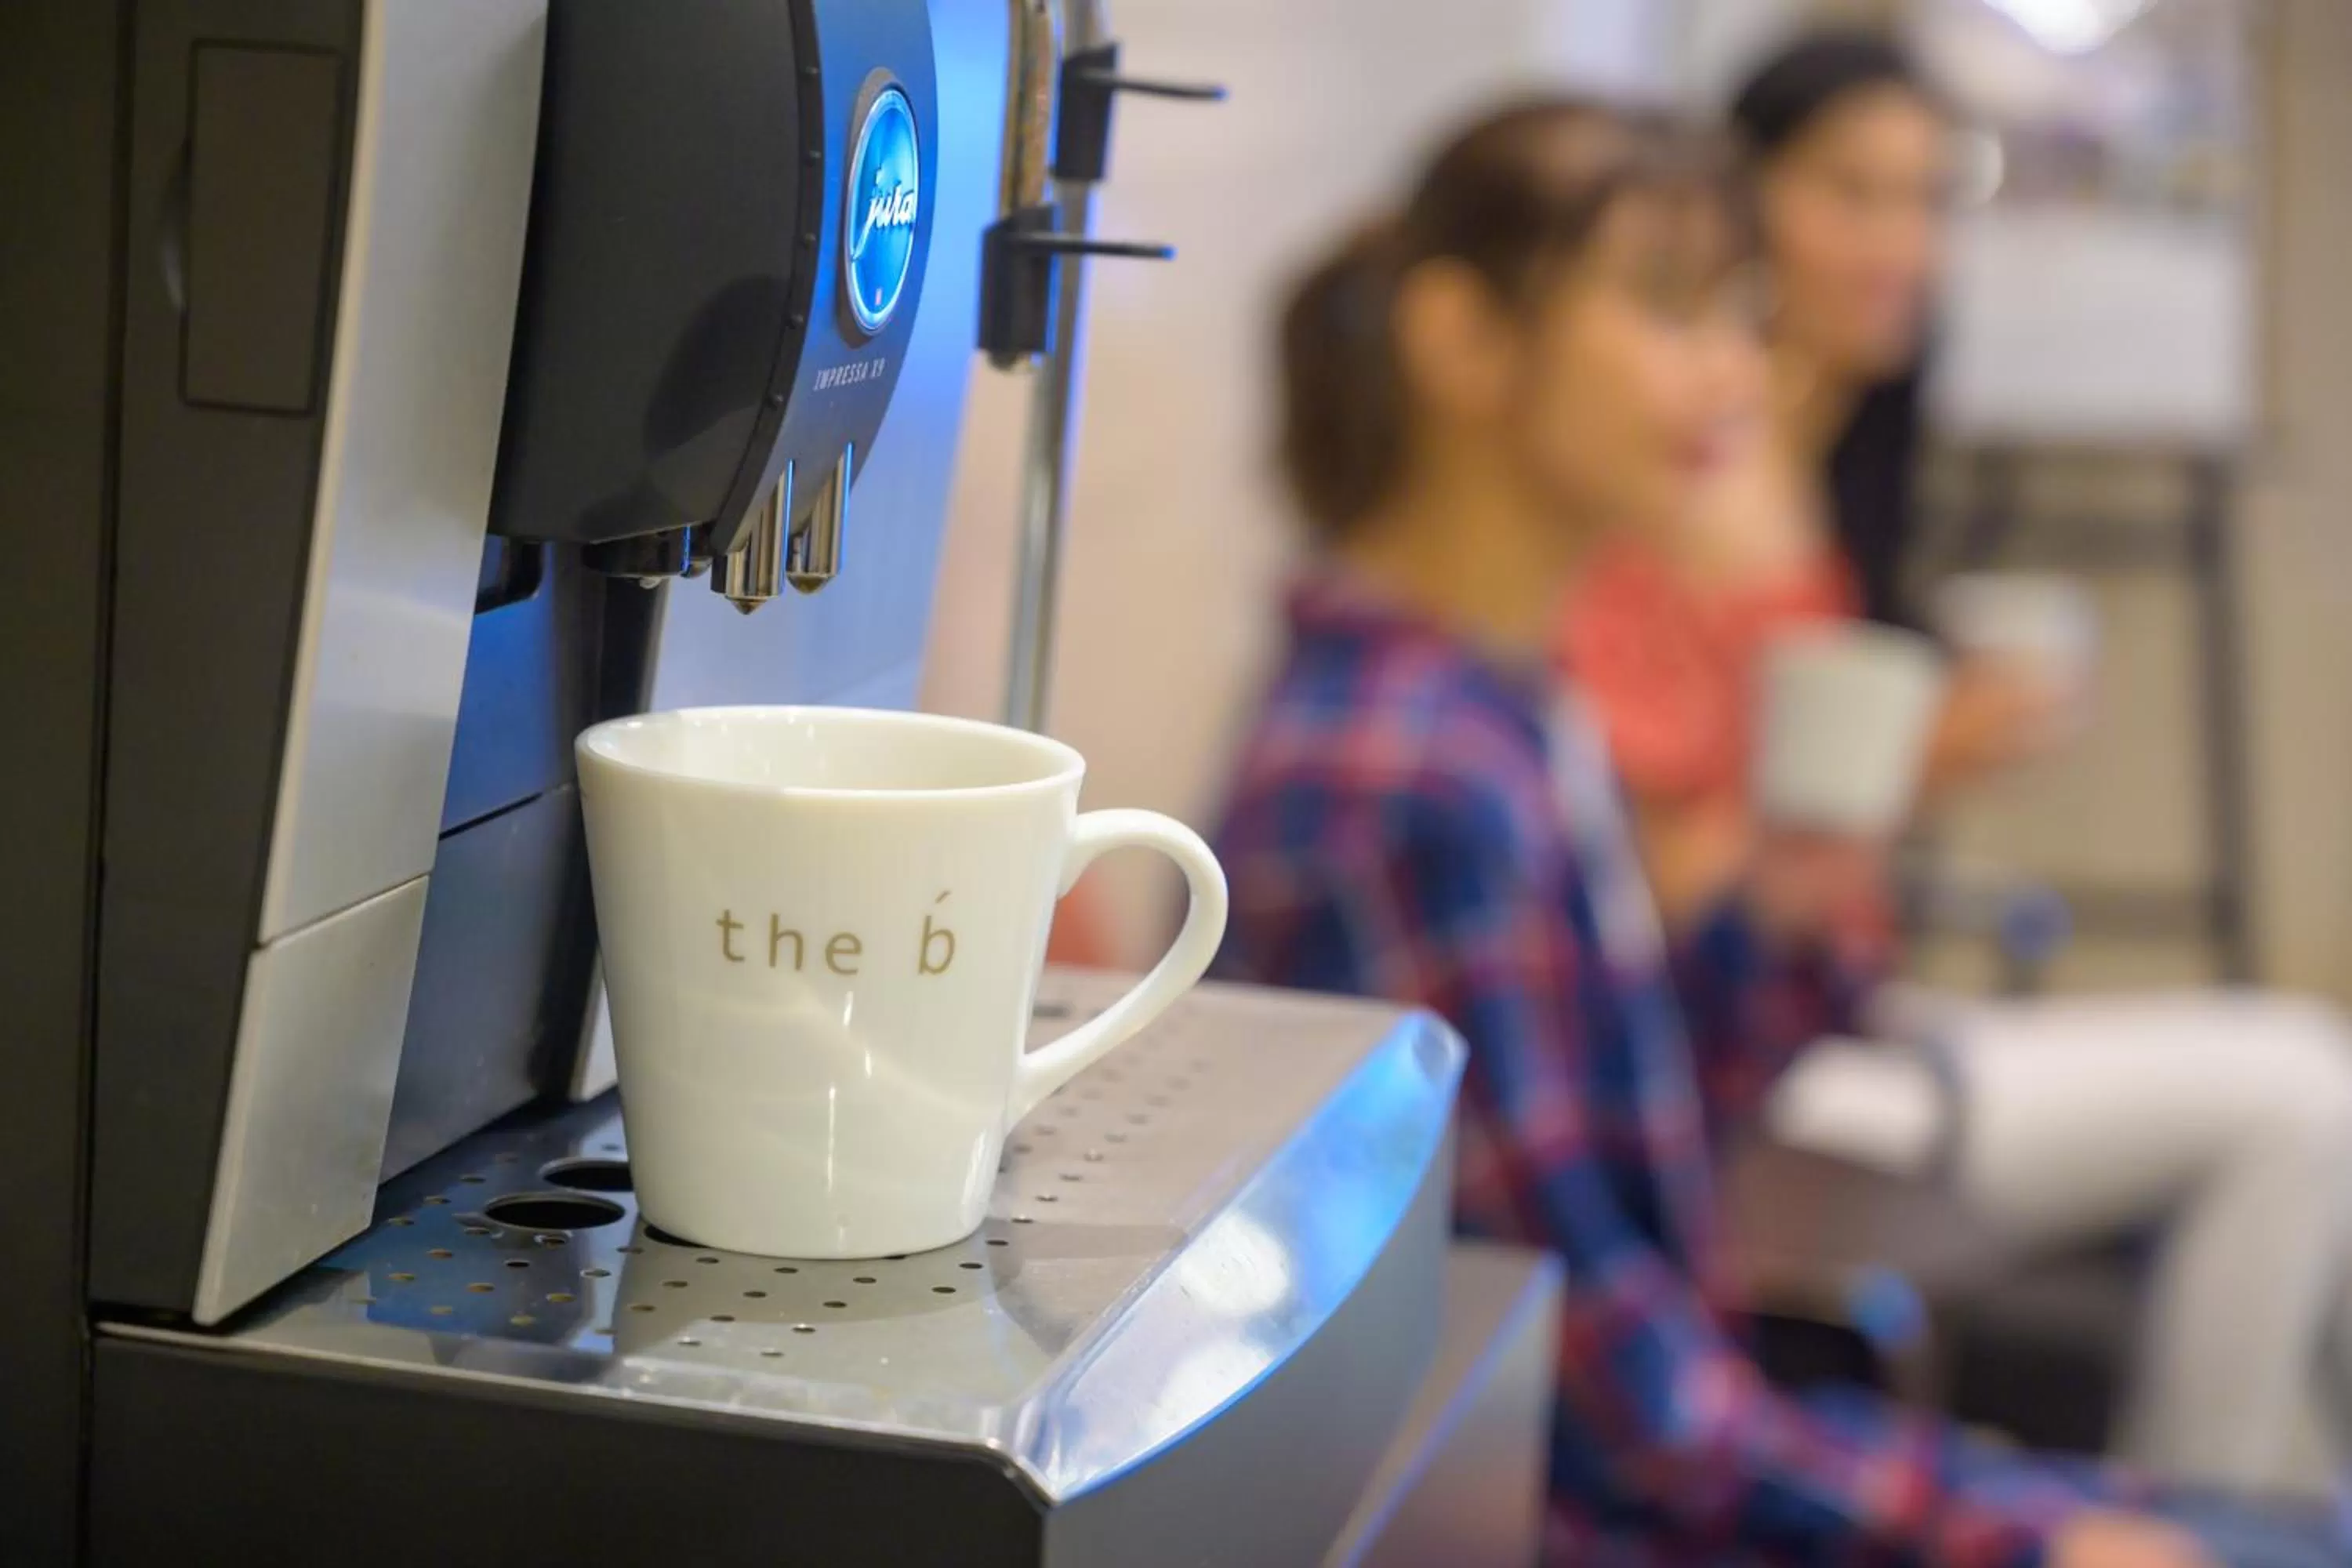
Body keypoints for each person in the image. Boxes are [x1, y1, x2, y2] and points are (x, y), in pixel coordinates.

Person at [1207, 94, 2307, 1566]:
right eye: (1672, 309)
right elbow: (1612, 1407)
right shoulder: (1409, 780)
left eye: (1739, 311)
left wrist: (1771, 924)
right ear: (1464, 341)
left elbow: (1633, 1149)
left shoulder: (1509, 710)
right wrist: (2013, 1533)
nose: (1737, 371)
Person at [1562, 30, 2352, 1504]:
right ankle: (2202, 1514)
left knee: (2307, 1116)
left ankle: (2242, 1509)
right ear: (1739, 204)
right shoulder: (1676, 487)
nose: (1901, 245)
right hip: (1771, 1075)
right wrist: (1918, 758)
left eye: (1930, 199)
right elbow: (1655, 889)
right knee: (2307, 1093)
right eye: (1853, 193)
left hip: (1843, 1016)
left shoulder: (1819, 459)